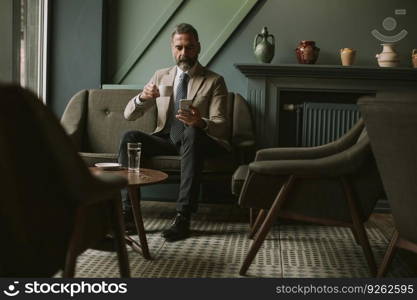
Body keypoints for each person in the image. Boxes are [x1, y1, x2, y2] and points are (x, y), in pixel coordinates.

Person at [118, 23, 230, 242]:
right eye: (179, 47)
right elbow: (128, 115)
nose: (183, 53)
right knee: (129, 137)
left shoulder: (214, 81)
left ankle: (183, 217)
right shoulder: (160, 76)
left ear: (198, 48)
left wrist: (200, 122)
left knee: (191, 133)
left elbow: (222, 125)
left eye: (189, 48)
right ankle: (129, 213)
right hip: (166, 138)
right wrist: (143, 97)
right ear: (172, 48)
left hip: (199, 139)